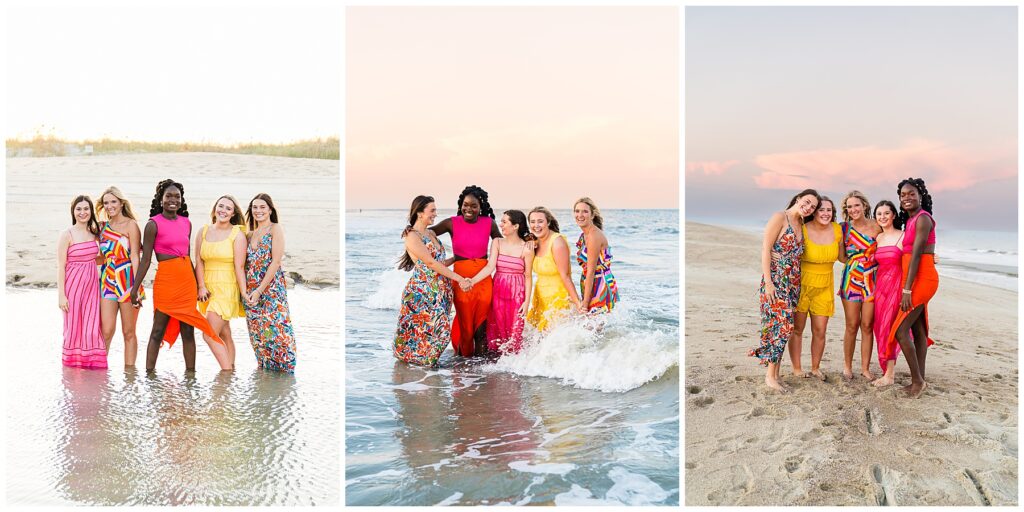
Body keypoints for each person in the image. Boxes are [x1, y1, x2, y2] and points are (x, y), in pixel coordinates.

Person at [129, 179, 226, 371]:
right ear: (161, 199)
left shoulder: (186, 223)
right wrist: (135, 288)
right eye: (168, 196)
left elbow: (188, 256)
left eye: (177, 196)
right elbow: (146, 260)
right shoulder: (152, 225)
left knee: (188, 330)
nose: (173, 200)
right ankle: (150, 377)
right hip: (166, 282)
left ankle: (191, 377)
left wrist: (199, 285)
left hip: (186, 283)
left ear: (181, 200)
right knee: (157, 330)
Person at [750, 189, 820, 392]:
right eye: (806, 202)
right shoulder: (780, 217)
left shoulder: (801, 224)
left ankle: (776, 374)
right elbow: (766, 249)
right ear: (798, 199)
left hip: (793, 282)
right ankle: (769, 376)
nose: (808, 208)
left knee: (785, 327)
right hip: (776, 280)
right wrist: (769, 283)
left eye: (812, 207)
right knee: (781, 326)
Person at [394, 195, 470, 366]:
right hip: (423, 291)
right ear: (420, 213)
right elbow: (430, 263)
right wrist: (459, 279)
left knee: (430, 334)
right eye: (432, 210)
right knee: (440, 333)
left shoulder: (431, 233)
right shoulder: (412, 236)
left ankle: (424, 370)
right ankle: (425, 368)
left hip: (440, 291)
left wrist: (458, 258)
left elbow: (439, 263)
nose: (436, 214)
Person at [429, 185, 501, 357]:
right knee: (465, 325)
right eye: (465, 205)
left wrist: (527, 239)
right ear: (461, 204)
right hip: (460, 278)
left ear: (480, 207)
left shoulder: (489, 223)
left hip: (483, 279)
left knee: (481, 327)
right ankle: (463, 367)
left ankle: (479, 372)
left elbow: (503, 243)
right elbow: (428, 232)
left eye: (474, 206)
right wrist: (412, 230)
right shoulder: (450, 223)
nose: (469, 209)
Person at [888, 178, 938, 398]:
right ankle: (921, 378)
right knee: (917, 331)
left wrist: (907, 290)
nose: (907, 198)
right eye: (903, 195)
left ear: (921, 196)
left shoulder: (923, 219)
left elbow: (917, 254)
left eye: (911, 194)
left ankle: (917, 382)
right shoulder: (910, 221)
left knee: (901, 331)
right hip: (914, 278)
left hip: (922, 279)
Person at [788, 196, 842, 381]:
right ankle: (796, 368)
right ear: (814, 212)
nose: (826, 213)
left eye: (829, 210)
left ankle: (815, 367)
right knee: (798, 329)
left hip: (825, 285)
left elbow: (844, 257)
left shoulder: (837, 230)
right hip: (802, 284)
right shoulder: (802, 229)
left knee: (820, 330)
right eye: (821, 210)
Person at [243, 193, 297, 372]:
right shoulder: (249, 235)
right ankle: (266, 376)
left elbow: (275, 262)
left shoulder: (275, 229)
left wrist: (260, 290)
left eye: (262, 207)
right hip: (251, 291)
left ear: (270, 210)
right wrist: (248, 292)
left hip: (272, 288)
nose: (258, 211)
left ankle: (286, 375)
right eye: (255, 207)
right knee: (258, 335)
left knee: (278, 330)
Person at [469, 209, 535, 355]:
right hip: (498, 290)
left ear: (516, 226)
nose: (501, 225)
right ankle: (498, 367)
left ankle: (516, 366)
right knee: (497, 328)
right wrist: (472, 281)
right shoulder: (497, 242)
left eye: (505, 222)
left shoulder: (527, 248)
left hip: (517, 293)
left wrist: (526, 301)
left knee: (515, 331)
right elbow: (490, 267)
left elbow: (528, 276)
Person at [195, 195, 248, 370]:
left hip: (227, 287)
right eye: (221, 206)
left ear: (233, 213)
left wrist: (244, 293)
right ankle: (231, 370)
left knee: (208, 334)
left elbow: (239, 267)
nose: (223, 211)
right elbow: (198, 261)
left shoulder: (237, 235)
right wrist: (201, 286)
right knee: (225, 333)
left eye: (228, 208)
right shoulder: (203, 231)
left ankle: (225, 373)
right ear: (215, 208)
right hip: (208, 288)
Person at [95, 186, 143, 366]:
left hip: (128, 281)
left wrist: (136, 288)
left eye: (113, 202)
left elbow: (135, 257)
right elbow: (101, 257)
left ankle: (129, 375)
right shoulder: (103, 227)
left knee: (128, 332)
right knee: (106, 331)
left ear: (121, 203)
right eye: (106, 203)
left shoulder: (131, 225)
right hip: (107, 280)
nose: (109, 206)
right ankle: (100, 372)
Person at [59, 195, 106, 369]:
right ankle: (71, 369)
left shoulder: (95, 234)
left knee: (91, 328)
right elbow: (60, 266)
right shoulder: (67, 234)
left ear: (91, 211)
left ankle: (91, 368)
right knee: (72, 329)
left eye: (86, 209)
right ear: (73, 211)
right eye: (78, 209)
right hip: (72, 287)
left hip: (92, 286)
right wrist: (61, 296)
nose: (82, 212)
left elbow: (98, 259)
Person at [838, 190, 881, 381]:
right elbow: (841, 257)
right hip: (851, 279)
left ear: (864, 205)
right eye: (849, 207)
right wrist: (855, 260)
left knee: (867, 325)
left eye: (856, 205)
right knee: (852, 325)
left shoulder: (878, 226)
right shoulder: (843, 228)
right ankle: (847, 367)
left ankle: (865, 368)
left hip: (873, 280)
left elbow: (893, 244)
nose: (853, 209)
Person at [526, 207, 583, 330]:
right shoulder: (534, 241)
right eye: (532, 222)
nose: (536, 225)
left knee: (557, 340)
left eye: (540, 221)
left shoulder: (557, 242)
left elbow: (566, 276)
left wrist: (578, 304)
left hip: (558, 298)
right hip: (540, 298)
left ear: (549, 222)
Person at [870, 200, 904, 387]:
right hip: (880, 287)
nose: (882, 217)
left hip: (897, 287)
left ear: (894, 215)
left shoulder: (904, 236)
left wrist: (932, 257)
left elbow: (917, 256)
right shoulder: (878, 238)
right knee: (880, 328)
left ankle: (889, 375)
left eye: (886, 213)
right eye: (879, 214)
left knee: (890, 328)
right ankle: (886, 370)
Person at [574, 197, 619, 313]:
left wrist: (585, 303)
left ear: (592, 215)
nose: (580, 215)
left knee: (593, 328)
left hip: (599, 283)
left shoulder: (594, 235)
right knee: (592, 328)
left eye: (585, 211)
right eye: (577, 211)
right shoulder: (584, 235)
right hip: (591, 283)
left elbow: (591, 271)